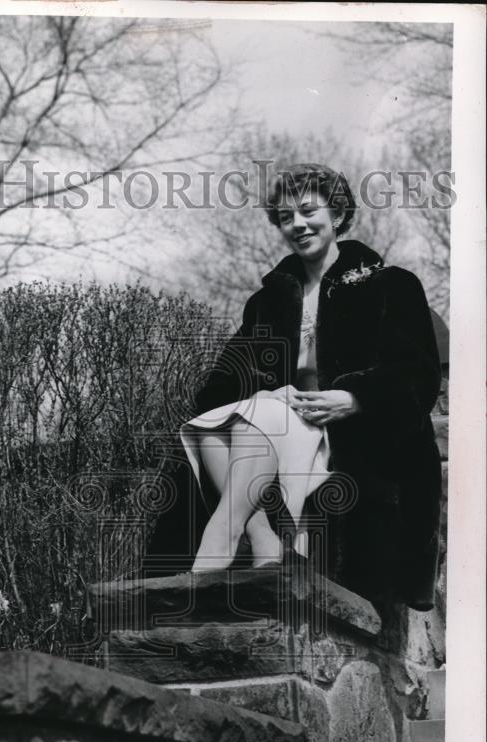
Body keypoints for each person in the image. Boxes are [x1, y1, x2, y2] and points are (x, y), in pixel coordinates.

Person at [146, 163, 442, 611]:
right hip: (282, 427)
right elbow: (220, 384)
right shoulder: (269, 300)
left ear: (338, 213)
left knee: (254, 419)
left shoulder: (390, 286)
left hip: (351, 432)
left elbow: (417, 374)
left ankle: (223, 539)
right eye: (286, 217)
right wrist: (266, 394)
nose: (297, 225)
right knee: (207, 424)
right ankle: (261, 537)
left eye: (308, 211)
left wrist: (354, 398)